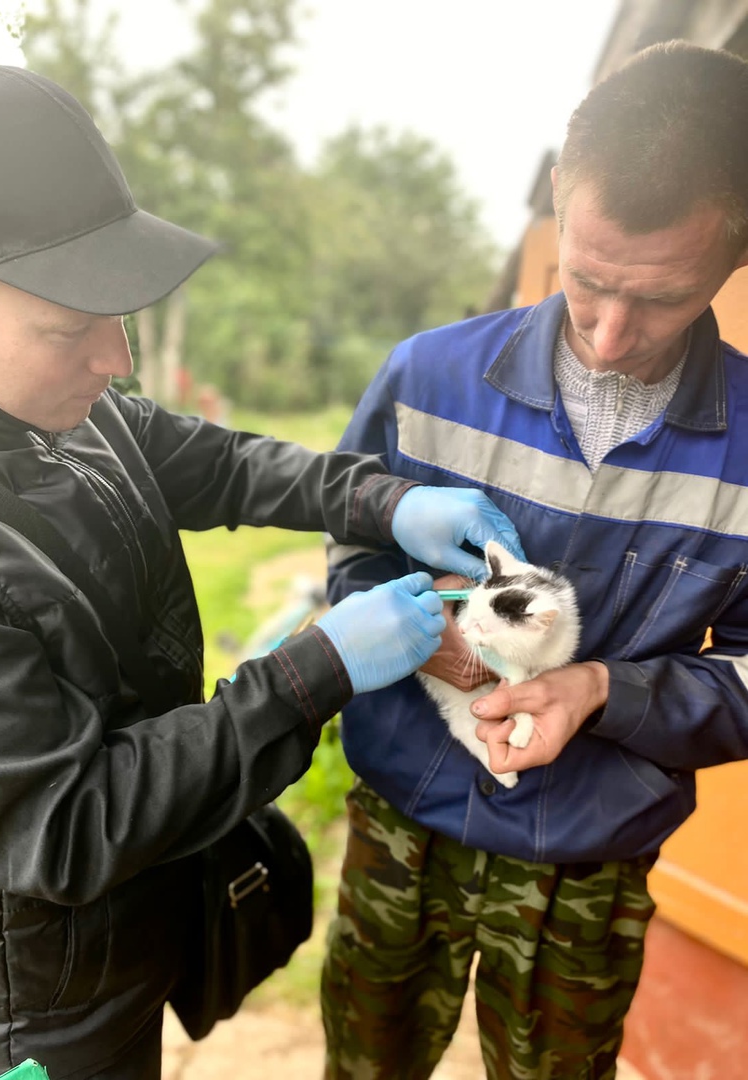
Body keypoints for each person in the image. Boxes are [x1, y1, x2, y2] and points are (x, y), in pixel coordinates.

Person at [0, 58, 526, 1080]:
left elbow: (217, 463)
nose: (115, 362)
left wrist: (384, 500)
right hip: (26, 1018)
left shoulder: (61, 412)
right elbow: (65, 828)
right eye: (71, 328)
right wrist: (312, 672)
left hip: (120, 944)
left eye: (117, 318)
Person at [321, 39, 748, 1080]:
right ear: (560, 191)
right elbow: (353, 556)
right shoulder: (425, 378)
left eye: (660, 297)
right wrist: (439, 653)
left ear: (736, 251)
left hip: (592, 861)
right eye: (586, 278)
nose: (606, 334)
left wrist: (601, 688)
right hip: (402, 824)